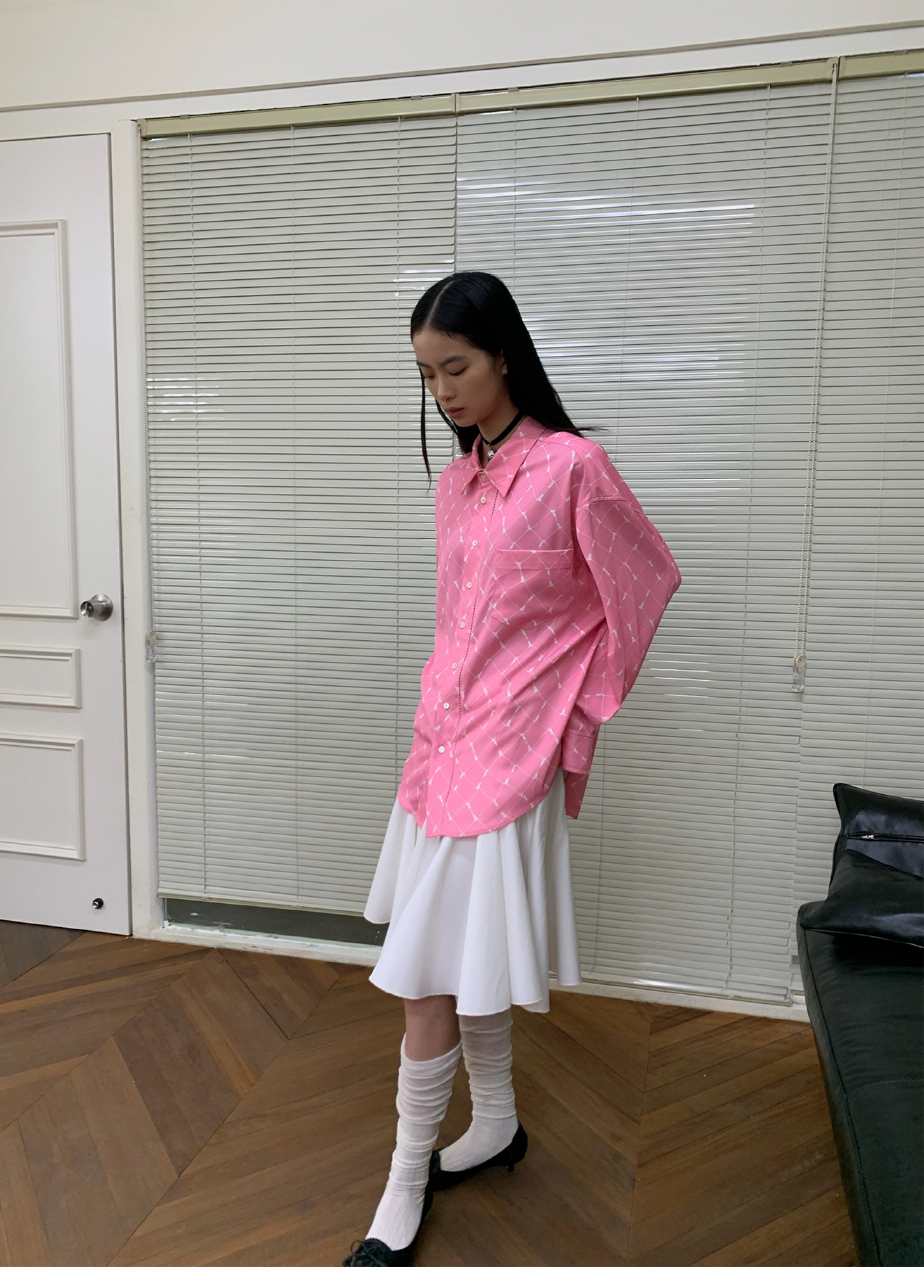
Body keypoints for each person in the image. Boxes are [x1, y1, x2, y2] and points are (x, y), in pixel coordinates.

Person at [342, 272, 682, 1267]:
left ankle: (403, 1180)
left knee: (424, 980)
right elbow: (462, 623)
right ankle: (493, 1123)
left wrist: (574, 709)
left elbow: (642, 582)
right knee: (465, 956)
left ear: (502, 354)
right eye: (425, 374)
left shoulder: (572, 467)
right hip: (438, 751)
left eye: (455, 366)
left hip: (506, 760)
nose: (441, 390)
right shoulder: (455, 485)